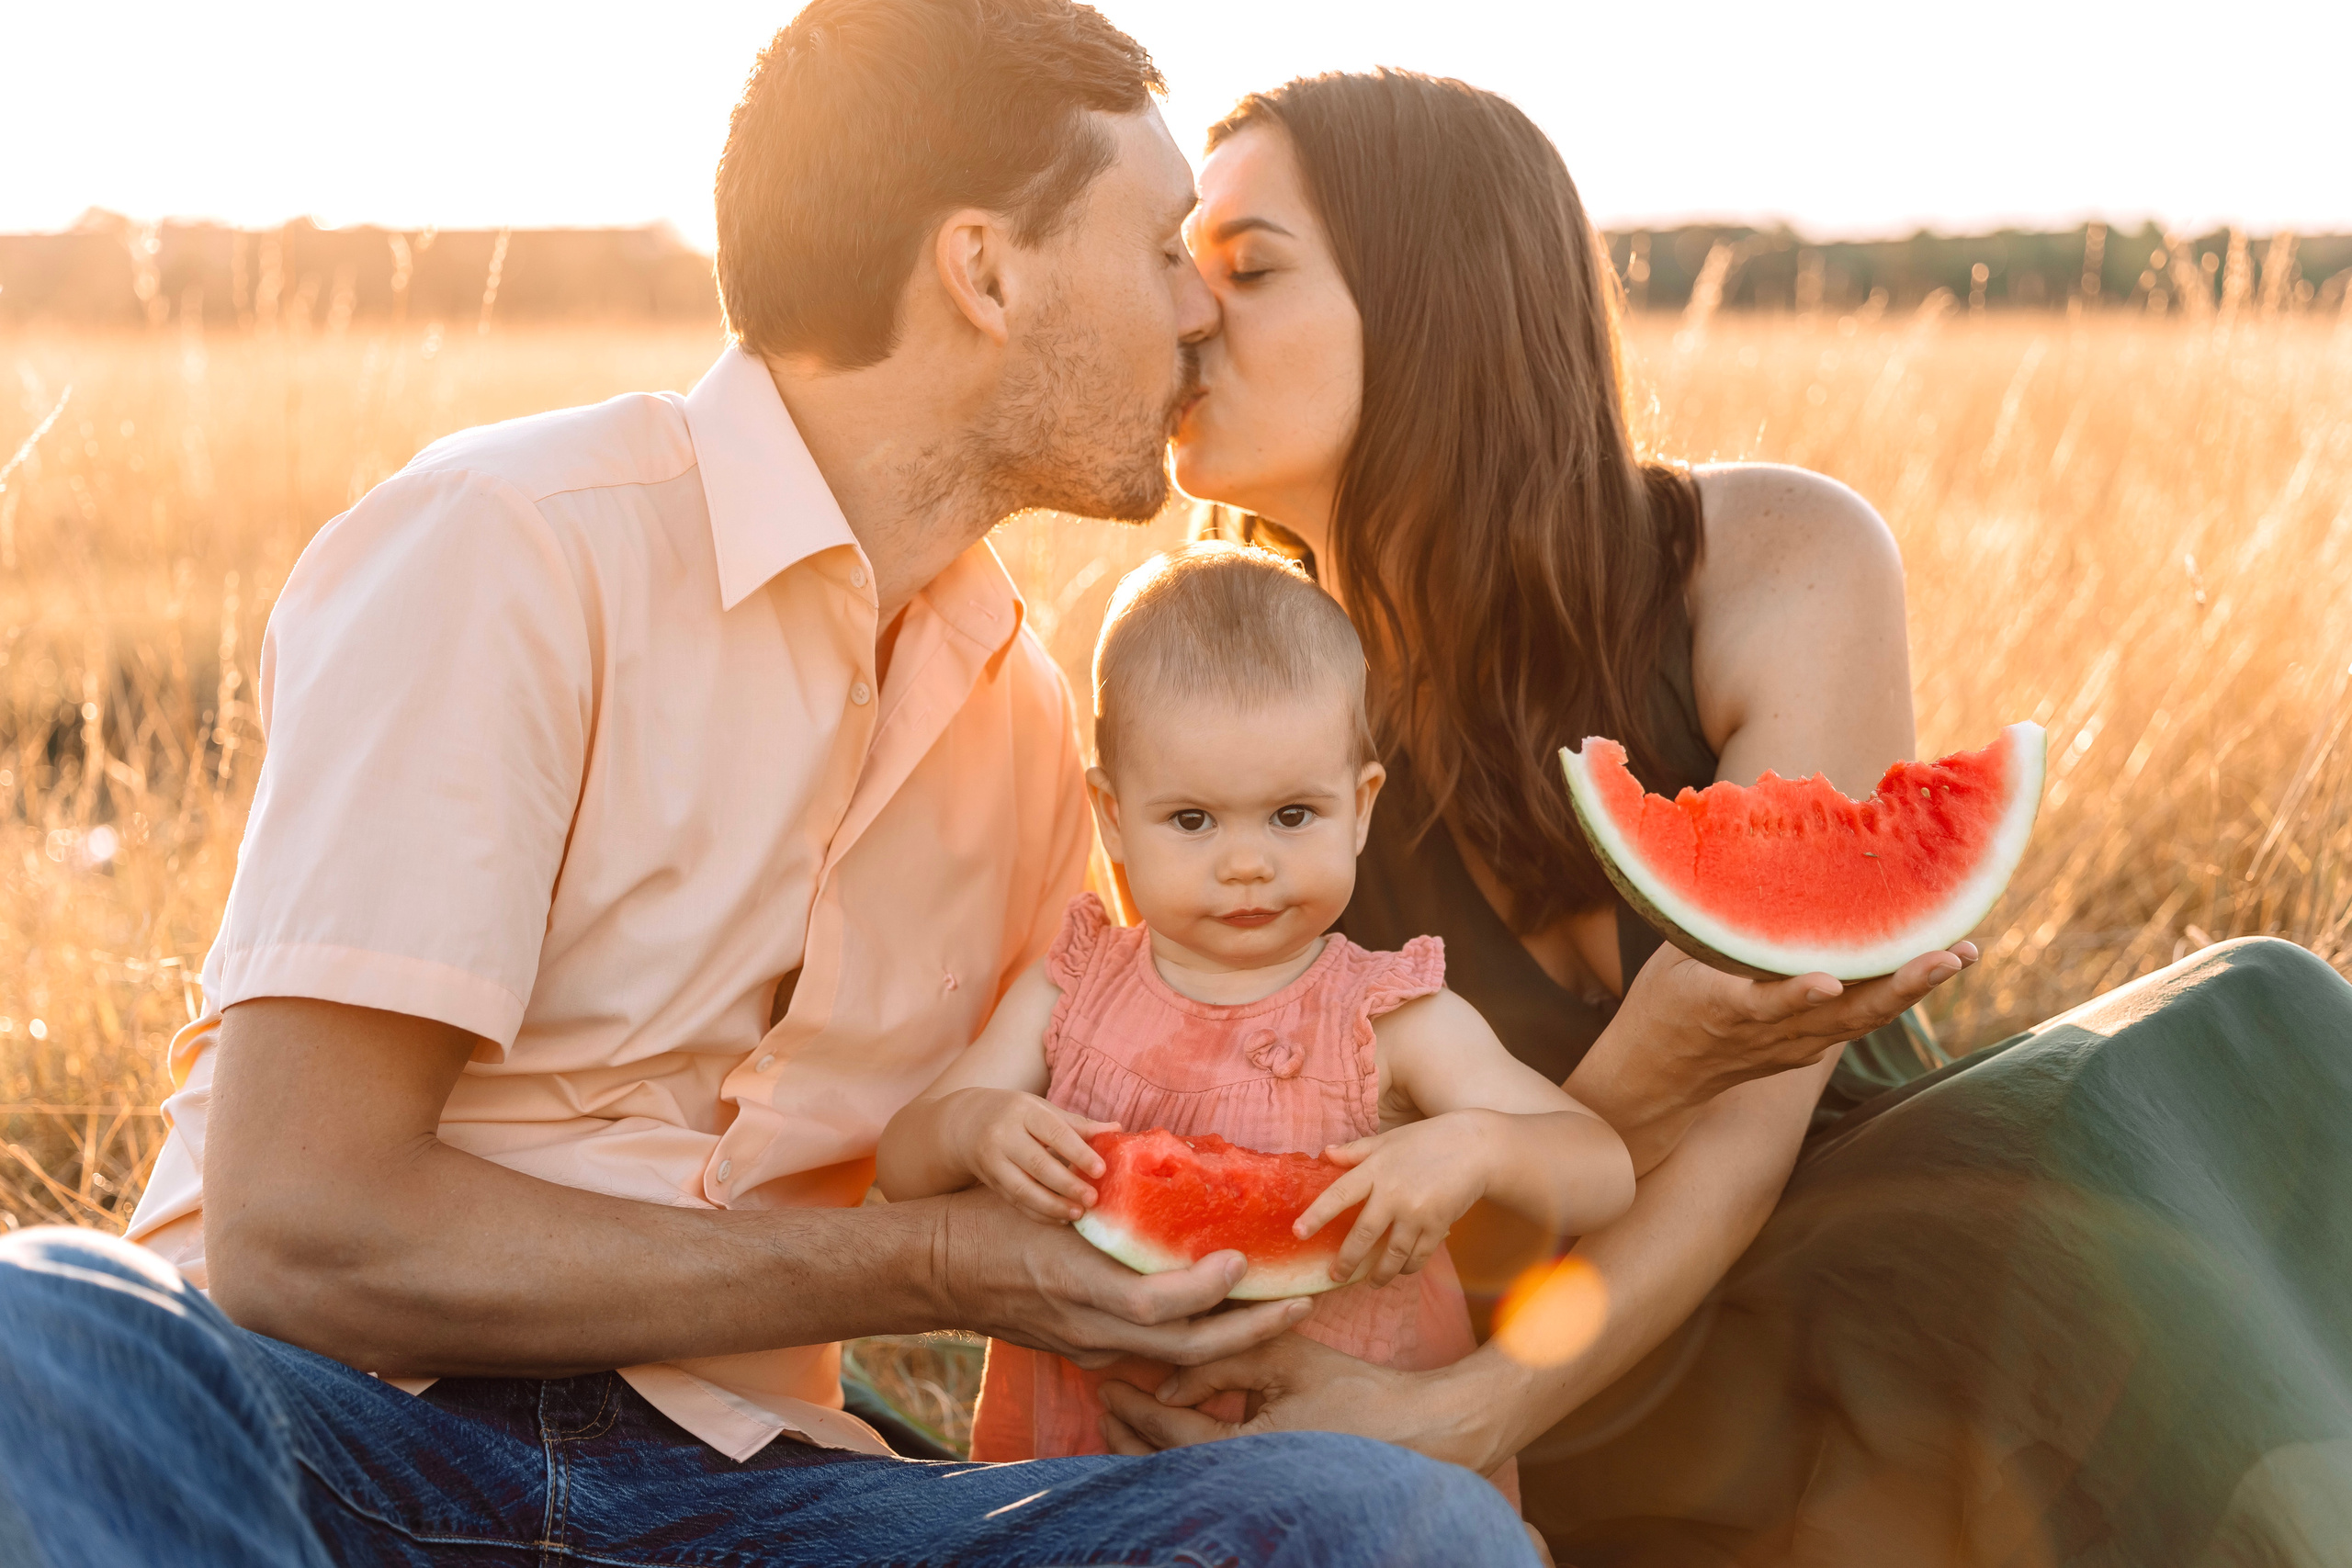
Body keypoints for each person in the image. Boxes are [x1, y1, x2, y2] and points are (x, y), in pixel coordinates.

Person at [0, 17, 1543, 1567]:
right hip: (324, 1435)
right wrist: (936, 1260)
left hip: (763, 1501)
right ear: (986, 272)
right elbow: (302, 1225)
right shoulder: (516, 543)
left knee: (1396, 1523)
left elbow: (1122, 1095)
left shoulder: (1028, 726)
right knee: (30, 1328)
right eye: (1159, 248)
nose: (1200, 307)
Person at [1088, 66, 2352, 1567]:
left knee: (2230, 1023)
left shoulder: (1773, 559)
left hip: (1870, 1249)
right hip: (1533, 1338)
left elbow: (1750, 1144)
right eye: (1182, 265)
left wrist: (1473, 1411)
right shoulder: (1236, 707)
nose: (1183, 313)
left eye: (1248, 266)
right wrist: (1482, 1351)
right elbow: (1372, 1220)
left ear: (1440, 299)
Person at [876, 543, 1636, 1501]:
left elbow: (1602, 1167)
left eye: (1291, 815)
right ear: (1112, 816)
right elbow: (903, 1170)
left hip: (1351, 1480)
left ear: (1360, 809)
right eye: (1192, 821)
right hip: (1084, 1467)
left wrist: (1479, 1146)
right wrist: (974, 1128)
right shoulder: (1067, 994)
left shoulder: (1391, 1019)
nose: (1247, 863)